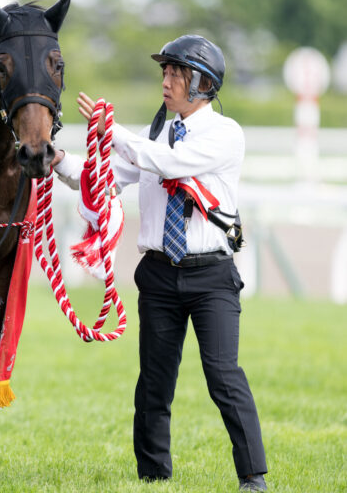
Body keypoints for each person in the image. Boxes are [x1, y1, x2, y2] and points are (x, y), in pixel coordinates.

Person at [52, 35, 268, 491]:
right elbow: (107, 177)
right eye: (165, 73)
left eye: (176, 74)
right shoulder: (157, 135)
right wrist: (57, 160)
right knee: (154, 381)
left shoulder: (225, 135)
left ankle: (253, 475)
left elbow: (169, 165)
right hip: (157, 273)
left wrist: (111, 129)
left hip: (211, 275)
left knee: (223, 375)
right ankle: (152, 477)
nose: (166, 82)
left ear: (203, 84)